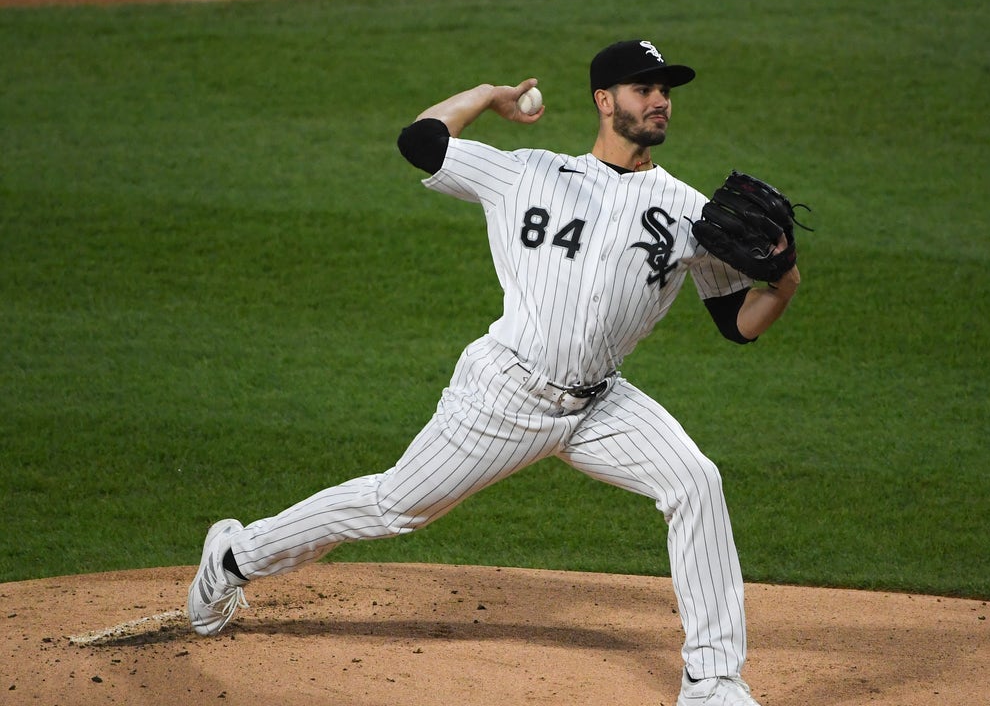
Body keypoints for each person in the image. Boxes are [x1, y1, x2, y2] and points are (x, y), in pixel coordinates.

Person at [187, 38, 801, 706]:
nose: (659, 102)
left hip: (599, 405)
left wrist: (785, 277)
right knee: (396, 507)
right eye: (643, 88)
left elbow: (736, 324)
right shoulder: (527, 172)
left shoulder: (691, 214)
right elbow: (420, 141)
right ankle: (233, 558)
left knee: (695, 481)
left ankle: (713, 680)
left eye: (665, 90)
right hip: (504, 395)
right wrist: (487, 95)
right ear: (604, 101)